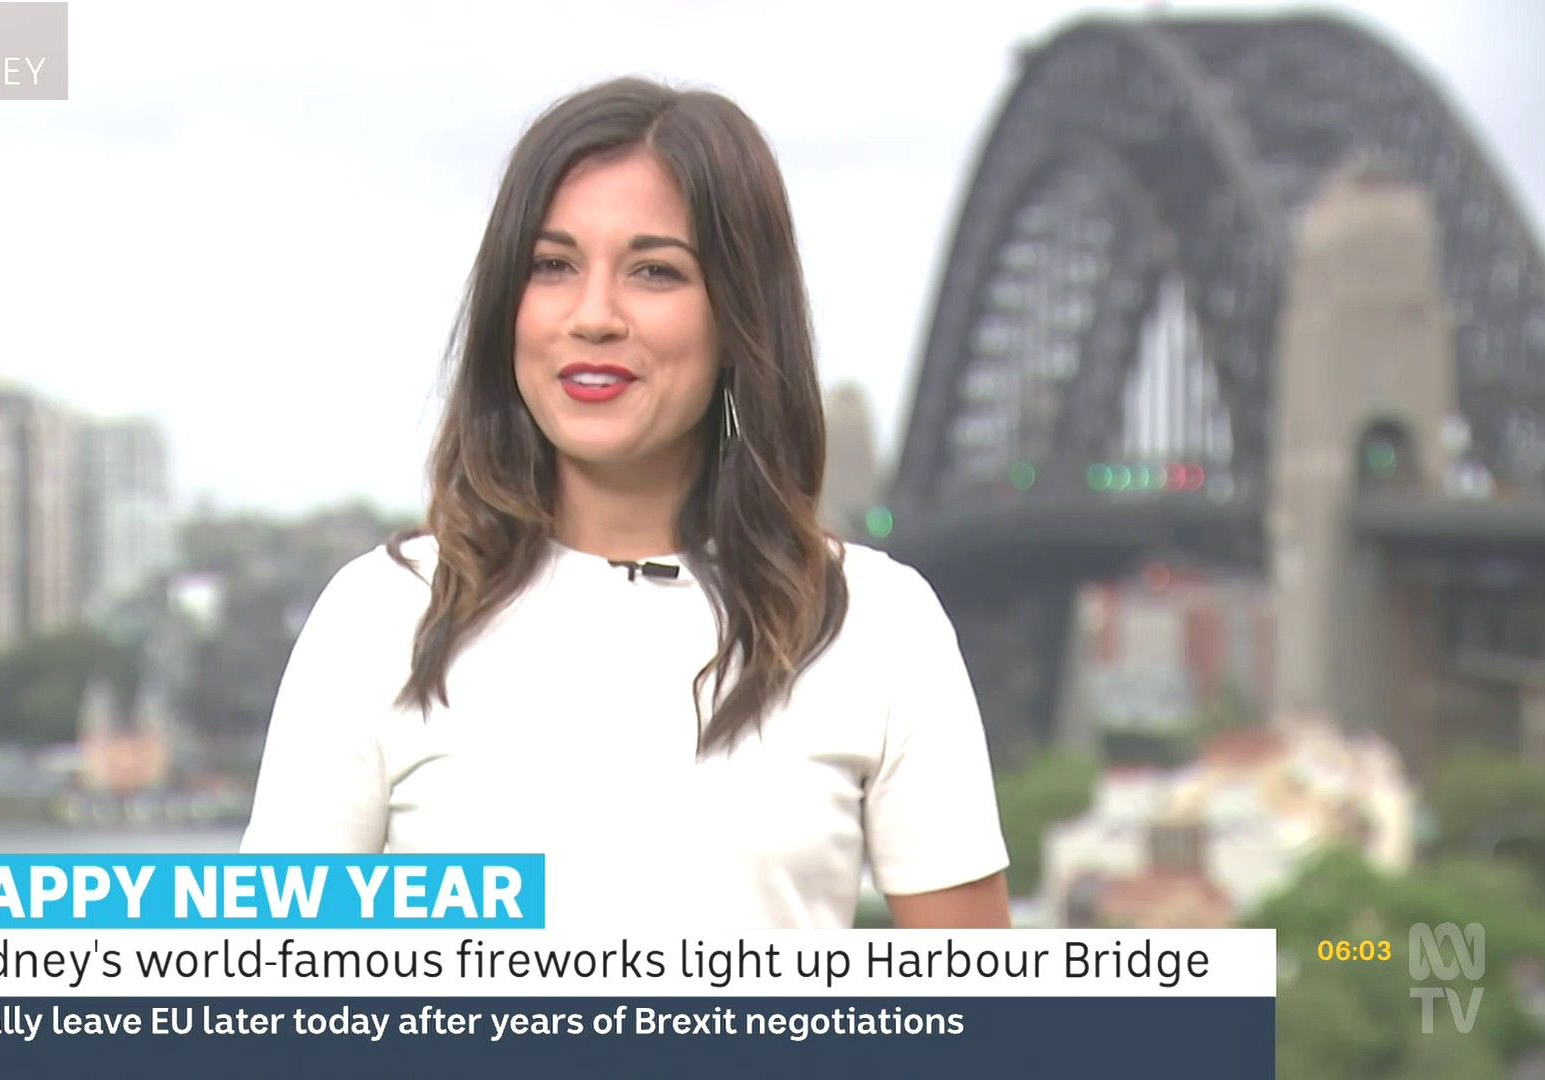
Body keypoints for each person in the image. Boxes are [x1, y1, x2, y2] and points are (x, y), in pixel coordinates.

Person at [240, 76, 1011, 930]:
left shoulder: (879, 624)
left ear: (738, 319)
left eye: (654, 271)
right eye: (553, 266)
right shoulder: (380, 619)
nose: (594, 316)